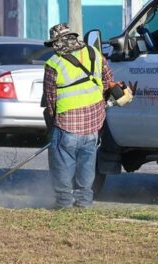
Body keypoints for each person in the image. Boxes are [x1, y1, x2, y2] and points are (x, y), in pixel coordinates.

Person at [42, 23, 115, 209]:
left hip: (67, 124)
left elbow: (50, 100)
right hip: (93, 123)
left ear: (56, 43)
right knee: (87, 164)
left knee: (62, 164)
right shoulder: (94, 54)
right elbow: (108, 82)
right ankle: (84, 202)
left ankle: (64, 203)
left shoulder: (53, 64)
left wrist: (52, 126)